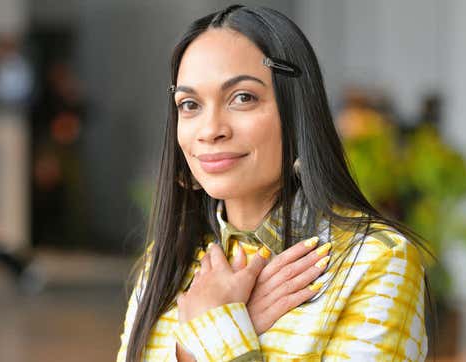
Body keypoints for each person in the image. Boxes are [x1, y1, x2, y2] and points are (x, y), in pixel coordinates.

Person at [117, 5, 429, 361]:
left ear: (297, 112)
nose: (210, 129)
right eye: (190, 104)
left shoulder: (374, 261)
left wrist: (215, 336)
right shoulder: (164, 264)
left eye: (243, 98)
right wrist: (222, 332)